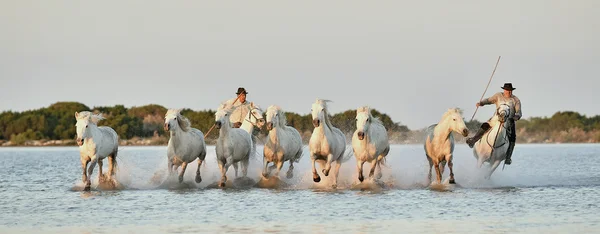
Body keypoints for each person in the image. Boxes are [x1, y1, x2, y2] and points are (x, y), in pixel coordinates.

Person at [466, 83, 522, 165]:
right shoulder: (498, 95)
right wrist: (481, 103)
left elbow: (519, 112)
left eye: (510, 91)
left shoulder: (515, 100)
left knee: (513, 137)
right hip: (496, 119)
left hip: (509, 121)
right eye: (507, 90)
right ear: (504, 90)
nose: (509, 92)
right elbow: (488, 100)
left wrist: (516, 116)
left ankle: (508, 157)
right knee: (485, 125)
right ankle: (473, 140)